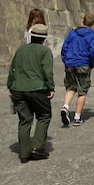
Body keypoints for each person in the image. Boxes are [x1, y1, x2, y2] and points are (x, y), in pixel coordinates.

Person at [8, 23, 55, 163]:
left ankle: (24, 153)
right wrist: (50, 88)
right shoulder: (44, 51)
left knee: (24, 120)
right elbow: (47, 71)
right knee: (44, 115)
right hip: (37, 89)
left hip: (18, 89)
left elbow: (12, 70)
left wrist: (10, 86)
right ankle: (37, 148)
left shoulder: (20, 50)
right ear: (44, 38)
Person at [60, 13, 94, 127]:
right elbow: (93, 52)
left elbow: (64, 48)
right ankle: (77, 117)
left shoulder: (72, 33)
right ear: (92, 23)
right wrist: (91, 64)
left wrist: (66, 60)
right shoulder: (93, 36)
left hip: (70, 63)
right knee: (82, 91)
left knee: (70, 87)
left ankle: (65, 107)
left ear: (83, 21)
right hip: (83, 63)